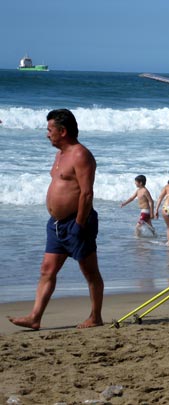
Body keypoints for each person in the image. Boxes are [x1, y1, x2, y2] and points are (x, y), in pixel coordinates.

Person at [8, 109, 104, 330]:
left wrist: (79, 224)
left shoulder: (81, 155)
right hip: (56, 225)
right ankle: (35, 317)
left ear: (62, 131)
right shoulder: (59, 155)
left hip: (78, 222)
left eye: (50, 130)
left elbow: (86, 193)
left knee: (90, 272)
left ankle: (95, 316)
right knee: (46, 270)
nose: (47, 134)